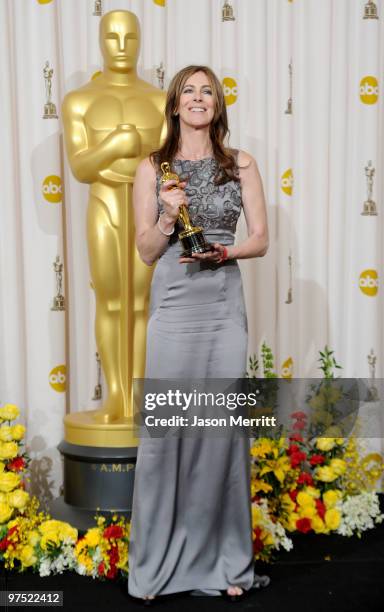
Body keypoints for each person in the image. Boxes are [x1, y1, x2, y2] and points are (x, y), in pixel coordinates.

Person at [128, 65, 269, 604]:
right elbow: (144, 251)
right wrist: (167, 218)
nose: (198, 98)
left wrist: (226, 252)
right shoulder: (152, 167)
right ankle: (155, 566)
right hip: (174, 304)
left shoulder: (241, 165)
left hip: (222, 305)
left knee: (220, 432)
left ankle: (225, 560)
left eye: (207, 91)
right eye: (188, 90)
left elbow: (260, 238)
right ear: (174, 104)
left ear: (218, 106)